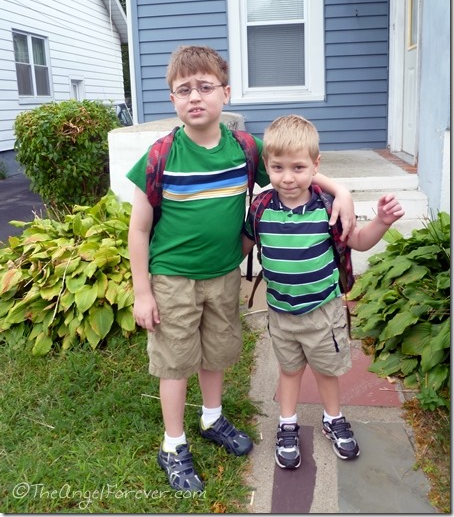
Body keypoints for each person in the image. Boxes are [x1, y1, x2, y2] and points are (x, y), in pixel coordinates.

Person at [126, 46, 357, 492]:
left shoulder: (244, 149)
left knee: (216, 350)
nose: (195, 96)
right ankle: (173, 444)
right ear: (173, 99)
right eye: (183, 89)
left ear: (225, 94)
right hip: (173, 276)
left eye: (205, 87)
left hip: (225, 274)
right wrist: (142, 291)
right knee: (175, 361)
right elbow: (138, 230)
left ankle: (212, 418)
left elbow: (293, 169)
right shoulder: (161, 156)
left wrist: (340, 189)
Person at [242, 114, 405, 469]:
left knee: (326, 371)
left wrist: (381, 222)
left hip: (323, 310)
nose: (287, 177)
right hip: (281, 312)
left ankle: (334, 418)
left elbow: (358, 242)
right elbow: (241, 247)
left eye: (298, 167)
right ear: (266, 166)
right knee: (288, 370)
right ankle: (287, 424)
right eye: (278, 167)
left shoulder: (327, 207)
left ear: (316, 165)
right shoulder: (260, 209)